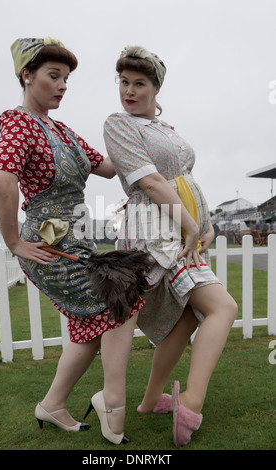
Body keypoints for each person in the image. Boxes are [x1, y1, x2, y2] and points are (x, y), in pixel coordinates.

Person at [0, 37, 147, 445]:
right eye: (53, 76)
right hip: (45, 244)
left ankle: (52, 405)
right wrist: (13, 242)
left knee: (92, 331)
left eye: (66, 79)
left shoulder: (64, 130)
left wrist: (137, 127)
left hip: (74, 241)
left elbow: (111, 168)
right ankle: (112, 402)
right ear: (27, 76)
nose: (62, 85)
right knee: (119, 294)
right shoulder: (18, 121)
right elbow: (0, 178)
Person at [103, 45, 238, 446]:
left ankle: (148, 401)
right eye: (124, 82)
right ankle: (190, 405)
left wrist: (205, 225)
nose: (129, 90)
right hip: (155, 230)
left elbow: (185, 179)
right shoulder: (118, 124)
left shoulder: (167, 130)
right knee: (222, 307)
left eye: (139, 83)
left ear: (156, 88)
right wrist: (191, 227)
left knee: (186, 318)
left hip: (183, 228)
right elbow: (151, 182)